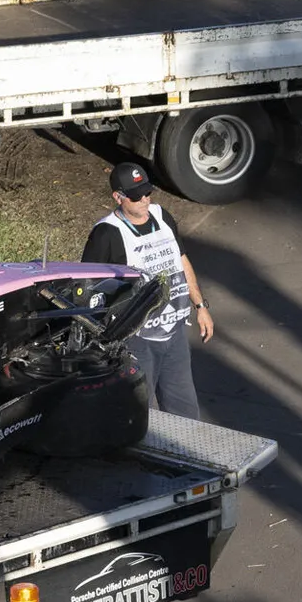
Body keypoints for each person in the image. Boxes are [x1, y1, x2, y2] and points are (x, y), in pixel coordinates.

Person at [83, 162, 211, 420]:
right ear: (118, 197)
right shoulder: (106, 234)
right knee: (138, 415)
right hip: (136, 341)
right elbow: (88, 289)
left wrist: (201, 307)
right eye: (135, 195)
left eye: (147, 192)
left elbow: (182, 261)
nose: (144, 199)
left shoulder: (163, 217)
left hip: (173, 335)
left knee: (186, 413)